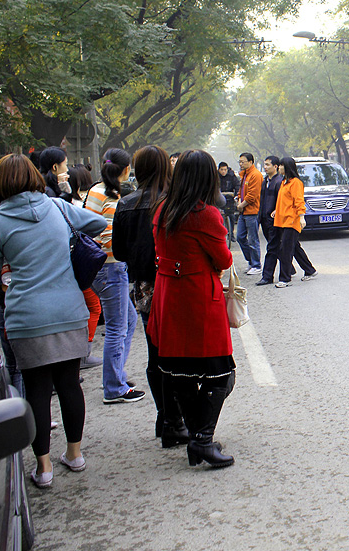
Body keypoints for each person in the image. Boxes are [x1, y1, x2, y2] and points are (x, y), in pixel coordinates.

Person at [0, 154, 107, 488]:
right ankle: (75, 454)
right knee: (70, 383)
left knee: (38, 390)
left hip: (26, 317)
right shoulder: (57, 207)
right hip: (69, 310)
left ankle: (43, 469)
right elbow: (98, 224)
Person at [148, 150, 235, 468]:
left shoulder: (163, 210)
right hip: (199, 298)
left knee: (178, 371)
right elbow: (224, 259)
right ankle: (202, 440)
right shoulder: (205, 215)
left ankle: (198, 437)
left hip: (169, 295)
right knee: (220, 373)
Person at [112, 145, 189, 448]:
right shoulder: (172, 203)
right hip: (172, 283)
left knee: (154, 351)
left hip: (142, 288)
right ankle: (175, 419)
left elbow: (118, 251)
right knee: (178, 353)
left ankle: (163, 416)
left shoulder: (125, 204)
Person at [86, 148, 145, 405]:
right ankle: (114, 387)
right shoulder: (113, 197)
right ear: (124, 170)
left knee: (128, 321)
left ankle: (115, 375)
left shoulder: (95, 190)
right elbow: (109, 237)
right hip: (110, 267)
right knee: (117, 327)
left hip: (98, 268)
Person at [68, 165, 103, 369]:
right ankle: (83, 353)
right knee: (93, 307)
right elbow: (97, 224)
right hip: (79, 266)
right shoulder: (72, 205)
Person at [272, 157, 317, 288]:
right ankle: (310, 270)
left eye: (281, 166)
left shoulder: (295, 183)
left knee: (285, 250)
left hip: (292, 220)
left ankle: (285, 279)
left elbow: (299, 201)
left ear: (286, 167)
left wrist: (302, 217)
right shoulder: (284, 182)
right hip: (283, 220)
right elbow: (284, 200)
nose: (279, 168)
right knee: (295, 248)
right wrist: (277, 210)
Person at [255, 156, 284, 286]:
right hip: (264, 219)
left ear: (276, 166)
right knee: (286, 247)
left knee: (272, 247)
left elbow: (282, 201)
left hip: (275, 220)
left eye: (268, 165)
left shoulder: (279, 182)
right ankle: (305, 269)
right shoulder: (265, 180)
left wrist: (276, 211)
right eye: (264, 165)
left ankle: (267, 276)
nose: (265, 167)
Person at [236, 152, 262, 276]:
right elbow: (241, 191)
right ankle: (251, 261)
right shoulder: (245, 175)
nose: (241, 164)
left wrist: (241, 204)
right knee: (240, 237)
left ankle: (256, 265)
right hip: (243, 211)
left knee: (252, 239)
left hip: (252, 211)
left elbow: (252, 195)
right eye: (240, 162)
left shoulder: (255, 175)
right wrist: (238, 199)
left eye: (243, 161)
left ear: (251, 162)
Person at [217, 162, 240, 244]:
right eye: (221, 170)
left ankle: (231, 233)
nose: (223, 171)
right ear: (219, 169)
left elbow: (237, 186)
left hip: (229, 199)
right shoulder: (215, 177)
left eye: (225, 170)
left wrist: (236, 195)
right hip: (218, 199)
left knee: (232, 216)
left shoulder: (232, 176)